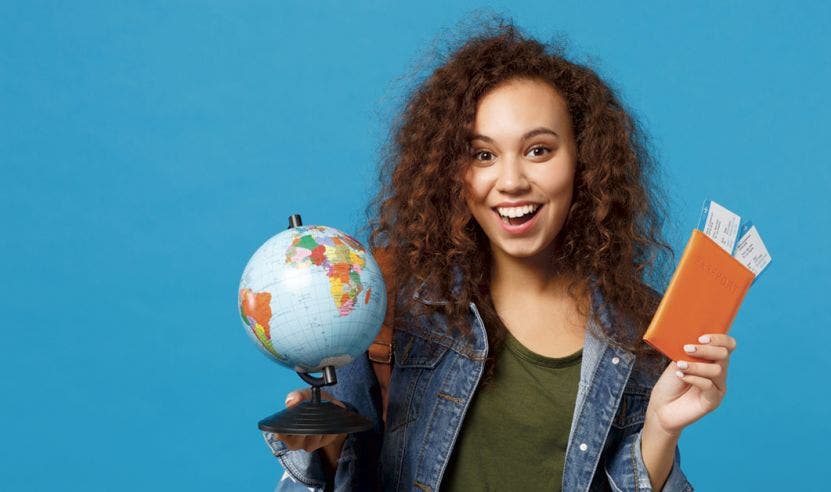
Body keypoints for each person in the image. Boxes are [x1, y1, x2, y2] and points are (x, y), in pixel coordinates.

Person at [262, 21, 736, 492]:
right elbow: (343, 475)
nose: (511, 181)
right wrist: (320, 447)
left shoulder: (638, 327)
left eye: (538, 150)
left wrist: (662, 431)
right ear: (453, 170)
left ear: (583, 162)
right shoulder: (381, 299)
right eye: (483, 155)